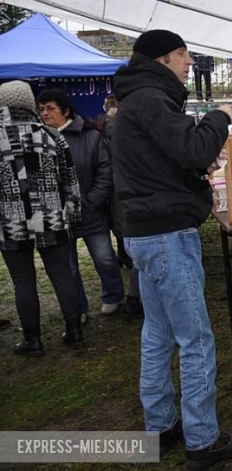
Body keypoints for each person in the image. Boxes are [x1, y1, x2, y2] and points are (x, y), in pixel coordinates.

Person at [112, 29, 232, 467]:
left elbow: (167, 158)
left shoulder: (138, 99)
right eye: (184, 54)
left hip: (146, 230)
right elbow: (191, 148)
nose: (190, 62)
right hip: (166, 234)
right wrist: (219, 116)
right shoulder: (151, 98)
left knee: (157, 334)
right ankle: (202, 440)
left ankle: (161, 426)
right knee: (195, 340)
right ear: (164, 58)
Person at [0, 80, 83, 355]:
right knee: (61, 275)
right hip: (52, 218)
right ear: (29, 103)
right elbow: (70, 180)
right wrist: (73, 213)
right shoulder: (51, 135)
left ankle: (33, 342)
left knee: (23, 282)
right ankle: (75, 332)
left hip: (10, 224)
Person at [38, 89, 124, 323]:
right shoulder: (39, 139)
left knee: (105, 257)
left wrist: (93, 199)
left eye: (50, 108)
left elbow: (105, 170)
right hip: (58, 214)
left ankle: (113, 296)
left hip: (90, 210)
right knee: (69, 267)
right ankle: (79, 307)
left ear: (65, 111)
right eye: (42, 109)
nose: (45, 113)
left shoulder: (89, 136)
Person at [100, 95, 143, 320]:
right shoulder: (131, 129)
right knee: (142, 245)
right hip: (134, 193)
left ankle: (133, 298)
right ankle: (135, 299)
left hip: (117, 194)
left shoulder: (103, 131)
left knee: (130, 241)